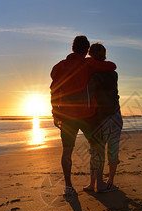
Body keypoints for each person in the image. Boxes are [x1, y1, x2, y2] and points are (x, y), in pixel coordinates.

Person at [50, 36, 117, 196]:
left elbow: (53, 89)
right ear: (87, 49)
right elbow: (112, 66)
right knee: (98, 148)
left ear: (73, 48)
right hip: (88, 115)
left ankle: (68, 186)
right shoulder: (88, 63)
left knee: (67, 152)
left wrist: (55, 113)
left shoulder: (59, 66)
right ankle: (99, 183)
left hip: (66, 116)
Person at [83, 43, 123, 193]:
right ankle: (110, 182)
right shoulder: (113, 73)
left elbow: (90, 96)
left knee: (96, 151)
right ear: (104, 54)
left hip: (100, 117)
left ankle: (92, 183)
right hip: (115, 115)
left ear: (90, 55)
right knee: (113, 151)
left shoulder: (90, 74)